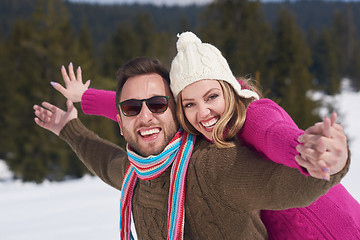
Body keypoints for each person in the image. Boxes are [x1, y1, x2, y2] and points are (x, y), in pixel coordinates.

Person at [49, 32, 360, 239]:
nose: (204, 112)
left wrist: (304, 151)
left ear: (229, 89)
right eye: (190, 104)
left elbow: (274, 135)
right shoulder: (191, 128)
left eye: (212, 96)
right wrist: (85, 97)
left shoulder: (252, 114)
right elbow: (142, 110)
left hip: (334, 227)